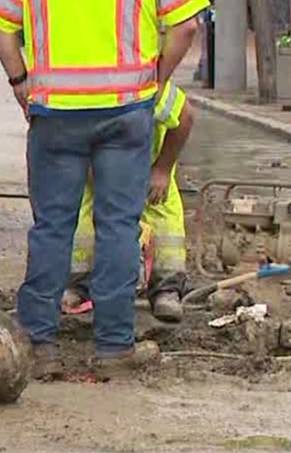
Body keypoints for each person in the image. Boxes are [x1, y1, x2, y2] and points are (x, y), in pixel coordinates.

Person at [0, 0, 208, 375]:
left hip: (55, 111)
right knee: (119, 227)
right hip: (126, 111)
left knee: (52, 226)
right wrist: (155, 79)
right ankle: (113, 346)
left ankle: (40, 344)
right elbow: (187, 24)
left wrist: (20, 82)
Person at [63, 80, 195, 322]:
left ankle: (166, 289)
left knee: (165, 232)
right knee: (85, 230)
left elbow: (184, 117)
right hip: (101, 177)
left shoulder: (147, 84)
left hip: (151, 177)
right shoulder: (86, 94)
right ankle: (80, 286)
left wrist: (163, 169)